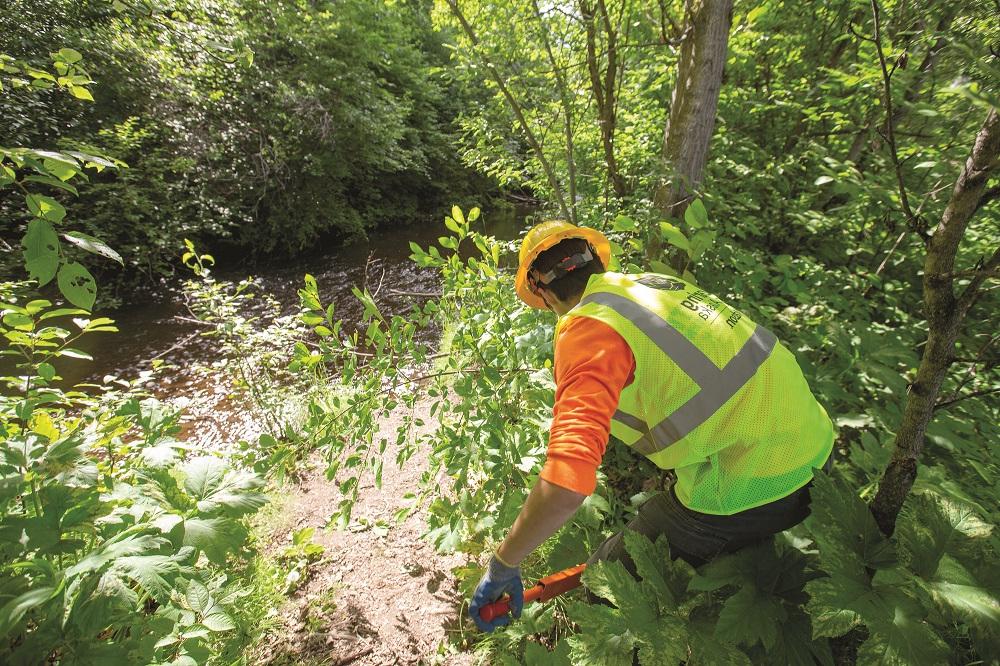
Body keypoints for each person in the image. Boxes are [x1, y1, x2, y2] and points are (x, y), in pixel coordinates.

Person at [469, 221, 835, 632]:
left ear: (541, 290)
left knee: (608, 578)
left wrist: (503, 564)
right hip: (816, 445)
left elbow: (566, 484)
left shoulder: (589, 333)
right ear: (594, 259)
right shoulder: (649, 286)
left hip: (757, 480)